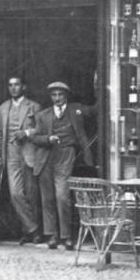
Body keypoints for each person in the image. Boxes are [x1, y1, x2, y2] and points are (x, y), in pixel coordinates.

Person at [31, 81, 96, 251]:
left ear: (66, 95)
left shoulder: (76, 110)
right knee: (47, 198)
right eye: (54, 95)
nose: (57, 98)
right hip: (46, 157)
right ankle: (52, 235)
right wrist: (47, 139)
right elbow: (35, 137)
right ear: (50, 97)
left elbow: (97, 109)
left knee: (62, 196)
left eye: (60, 95)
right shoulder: (43, 115)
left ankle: (66, 236)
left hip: (66, 154)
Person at [0, 76, 43, 245]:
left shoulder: (34, 106)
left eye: (17, 85)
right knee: (15, 193)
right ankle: (33, 228)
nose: (13, 88)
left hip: (29, 152)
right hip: (11, 154)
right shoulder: (3, 108)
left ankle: (28, 232)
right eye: (10, 85)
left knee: (31, 194)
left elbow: (42, 128)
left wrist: (27, 133)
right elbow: (0, 135)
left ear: (23, 87)